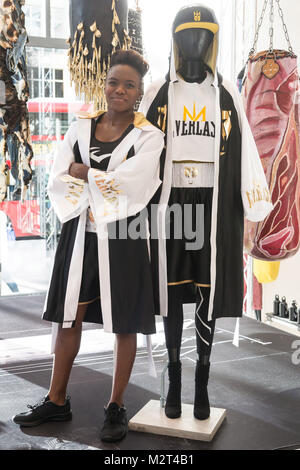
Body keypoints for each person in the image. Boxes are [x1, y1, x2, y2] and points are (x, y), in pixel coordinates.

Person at [12, 49, 164, 443]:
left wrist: (90, 175)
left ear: (138, 92)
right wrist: (101, 180)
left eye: (128, 85)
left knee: (125, 321)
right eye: (113, 81)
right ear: (105, 84)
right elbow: (59, 177)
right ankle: (56, 398)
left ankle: (115, 406)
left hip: (124, 239)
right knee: (69, 317)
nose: (119, 89)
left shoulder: (150, 137)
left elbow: (137, 184)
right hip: (80, 236)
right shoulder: (81, 127)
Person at [140, 5, 273, 420]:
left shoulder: (226, 94)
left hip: (213, 203)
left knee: (207, 292)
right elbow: (140, 149)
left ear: (212, 40)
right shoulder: (159, 91)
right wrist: (124, 196)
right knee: (171, 292)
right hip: (171, 201)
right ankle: (175, 376)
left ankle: (202, 380)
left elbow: (247, 149)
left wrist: (253, 208)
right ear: (176, 40)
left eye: (202, 34)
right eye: (186, 34)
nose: (194, 42)